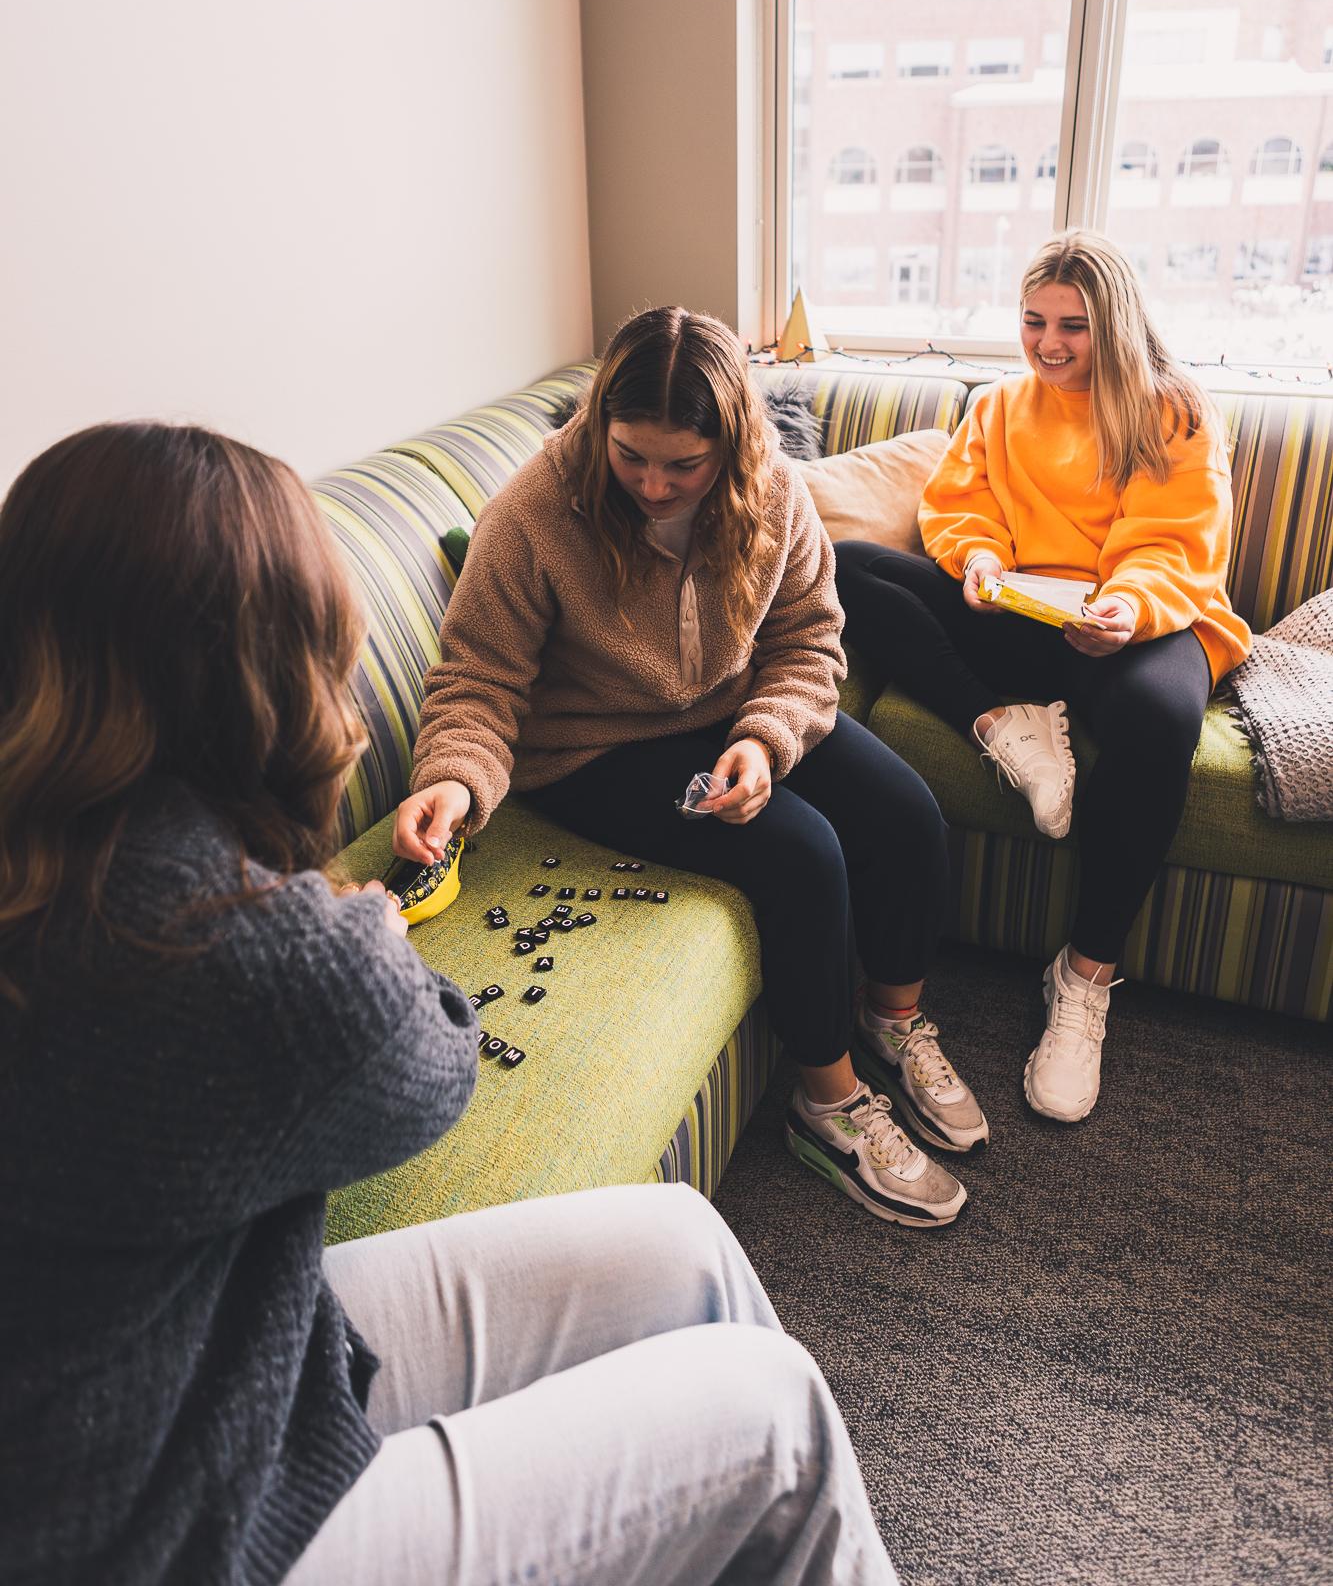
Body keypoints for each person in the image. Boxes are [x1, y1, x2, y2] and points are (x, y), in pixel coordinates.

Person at [0, 421, 896, 1586]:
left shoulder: (70, 854)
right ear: (246, 679)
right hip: (158, 1533)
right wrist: (348, 895)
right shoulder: (218, 937)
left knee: (680, 1241)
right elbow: (434, 1058)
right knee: (775, 1413)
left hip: (182, 1359)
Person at [395, 306, 987, 1237]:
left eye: (684, 464)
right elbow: (478, 675)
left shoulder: (774, 495)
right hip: (596, 747)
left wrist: (763, 741)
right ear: (600, 428)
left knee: (907, 813)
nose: (654, 485)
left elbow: (807, 639)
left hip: (735, 713)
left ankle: (894, 1020)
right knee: (801, 852)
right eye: (631, 455)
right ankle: (827, 1105)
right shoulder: (535, 511)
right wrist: (455, 781)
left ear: (733, 445)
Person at [835, 230, 1251, 1124]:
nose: (1049, 343)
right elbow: (957, 504)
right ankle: (1000, 724)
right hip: (1021, 620)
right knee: (845, 567)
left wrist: (1127, 611)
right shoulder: (997, 406)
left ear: (1117, 325)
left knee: (1162, 718)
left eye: (1074, 325)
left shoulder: (1173, 411)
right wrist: (978, 563)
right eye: (1033, 321)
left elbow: (1175, 544)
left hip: (1138, 624)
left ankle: (1084, 976)